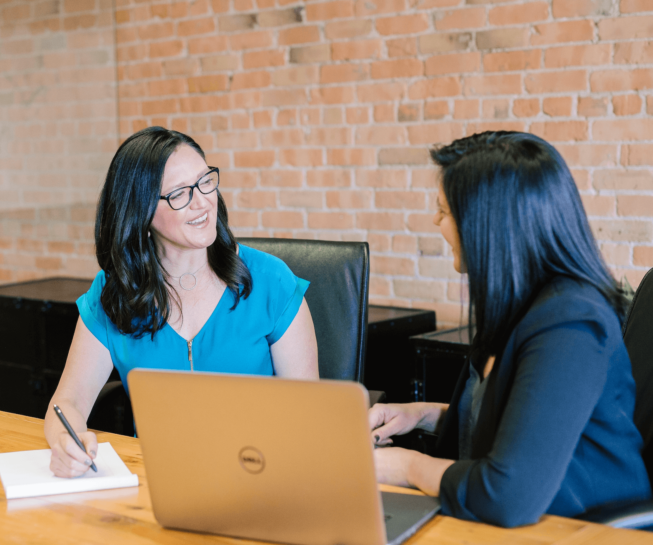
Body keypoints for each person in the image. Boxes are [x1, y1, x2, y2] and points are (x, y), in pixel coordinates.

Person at [369, 131, 652, 527]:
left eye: (444, 211)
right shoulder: (520, 305)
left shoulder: (571, 323)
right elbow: (523, 421)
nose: (435, 221)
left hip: (585, 529)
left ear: (487, 225)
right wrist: (422, 414)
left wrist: (406, 466)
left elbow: (507, 494)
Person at [45, 127, 318, 478]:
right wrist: (65, 444)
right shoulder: (114, 294)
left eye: (206, 181)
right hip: (157, 482)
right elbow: (66, 403)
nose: (203, 201)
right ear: (140, 212)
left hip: (261, 475)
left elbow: (308, 414)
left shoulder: (271, 281)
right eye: (179, 194)